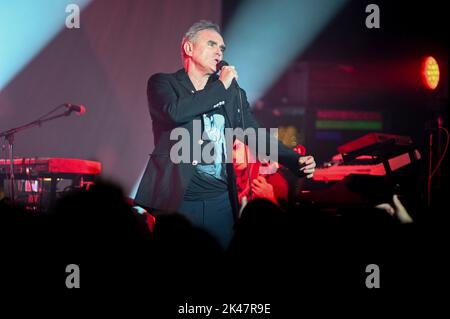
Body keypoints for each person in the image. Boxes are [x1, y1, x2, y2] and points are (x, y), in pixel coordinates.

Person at [134, 20, 315, 248]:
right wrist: (221, 86)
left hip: (219, 200)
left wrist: (294, 159)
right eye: (212, 44)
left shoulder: (231, 93)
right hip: (178, 200)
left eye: (222, 48)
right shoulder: (164, 83)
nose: (219, 51)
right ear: (189, 48)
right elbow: (175, 113)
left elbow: (253, 133)